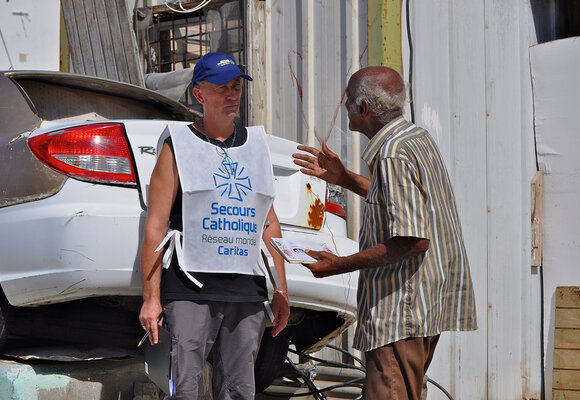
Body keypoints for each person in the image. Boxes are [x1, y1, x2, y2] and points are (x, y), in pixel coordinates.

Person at [292, 66, 476, 400]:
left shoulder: (391, 153)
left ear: (362, 108)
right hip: (422, 308)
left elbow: (413, 240)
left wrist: (338, 264)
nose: (344, 106)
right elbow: (400, 202)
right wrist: (345, 178)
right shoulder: (413, 138)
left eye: (348, 99)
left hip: (400, 311)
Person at [139, 52, 290, 400]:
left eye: (236, 87)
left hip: (247, 290)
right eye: (222, 87)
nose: (232, 95)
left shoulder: (256, 146)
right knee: (185, 389)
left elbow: (269, 224)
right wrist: (151, 300)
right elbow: (156, 227)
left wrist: (280, 290)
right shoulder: (177, 146)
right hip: (191, 288)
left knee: (240, 390)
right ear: (199, 94)